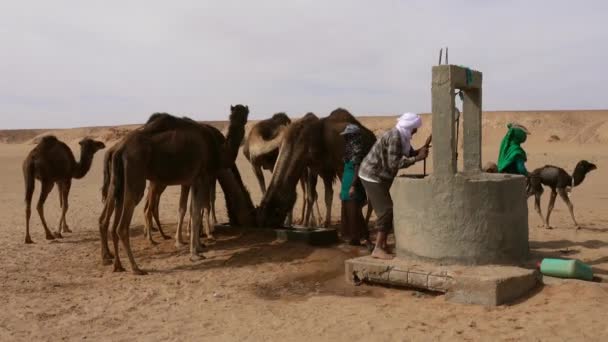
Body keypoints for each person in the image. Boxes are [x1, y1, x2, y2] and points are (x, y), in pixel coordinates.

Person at [358, 112, 431, 260]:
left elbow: (408, 153)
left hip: (380, 176)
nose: (415, 131)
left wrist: (420, 150)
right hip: (372, 175)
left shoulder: (402, 137)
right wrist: (417, 158)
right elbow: (394, 164)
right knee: (387, 210)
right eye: (414, 129)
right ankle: (377, 248)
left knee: (385, 210)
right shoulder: (396, 137)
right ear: (409, 127)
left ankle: (383, 245)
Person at [339, 124, 372, 249]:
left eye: (348, 136)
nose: (346, 138)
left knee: (355, 213)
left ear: (353, 136)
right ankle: (354, 238)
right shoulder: (349, 150)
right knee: (347, 212)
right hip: (346, 185)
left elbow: (357, 170)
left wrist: (353, 185)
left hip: (354, 185)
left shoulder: (358, 150)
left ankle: (365, 239)